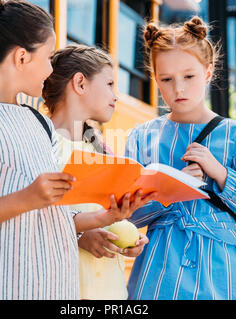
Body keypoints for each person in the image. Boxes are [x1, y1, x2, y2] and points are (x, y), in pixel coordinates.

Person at [0, 0, 139, 300]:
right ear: (22, 57)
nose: (52, 69)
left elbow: (57, 215)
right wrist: (26, 198)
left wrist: (107, 217)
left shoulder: (38, 122)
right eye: (49, 57)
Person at [124, 16, 236, 300]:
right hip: (159, 269)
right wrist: (168, 190)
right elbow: (127, 215)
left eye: (189, 76)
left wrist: (220, 173)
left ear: (207, 72)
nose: (178, 89)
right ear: (155, 79)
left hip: (225, 272)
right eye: (166, 79)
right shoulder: (142, 137)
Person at [42, 44, 155, 299]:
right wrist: (80, 236)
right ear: (80, 83)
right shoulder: (42, 144)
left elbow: (105, 212)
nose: (116, 96)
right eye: (109, 85)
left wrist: (128, 237)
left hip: (110, 291)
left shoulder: (101, 148)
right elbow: (31, 217)